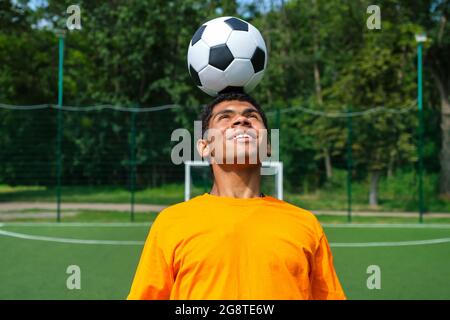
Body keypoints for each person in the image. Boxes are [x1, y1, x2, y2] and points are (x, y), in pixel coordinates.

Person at [127, 92, 346, 300]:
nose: (241, 120)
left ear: (268, 146)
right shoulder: (171, 222)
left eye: (252, 116)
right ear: (204, 147)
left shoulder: (305, 224)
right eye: (225, 117)